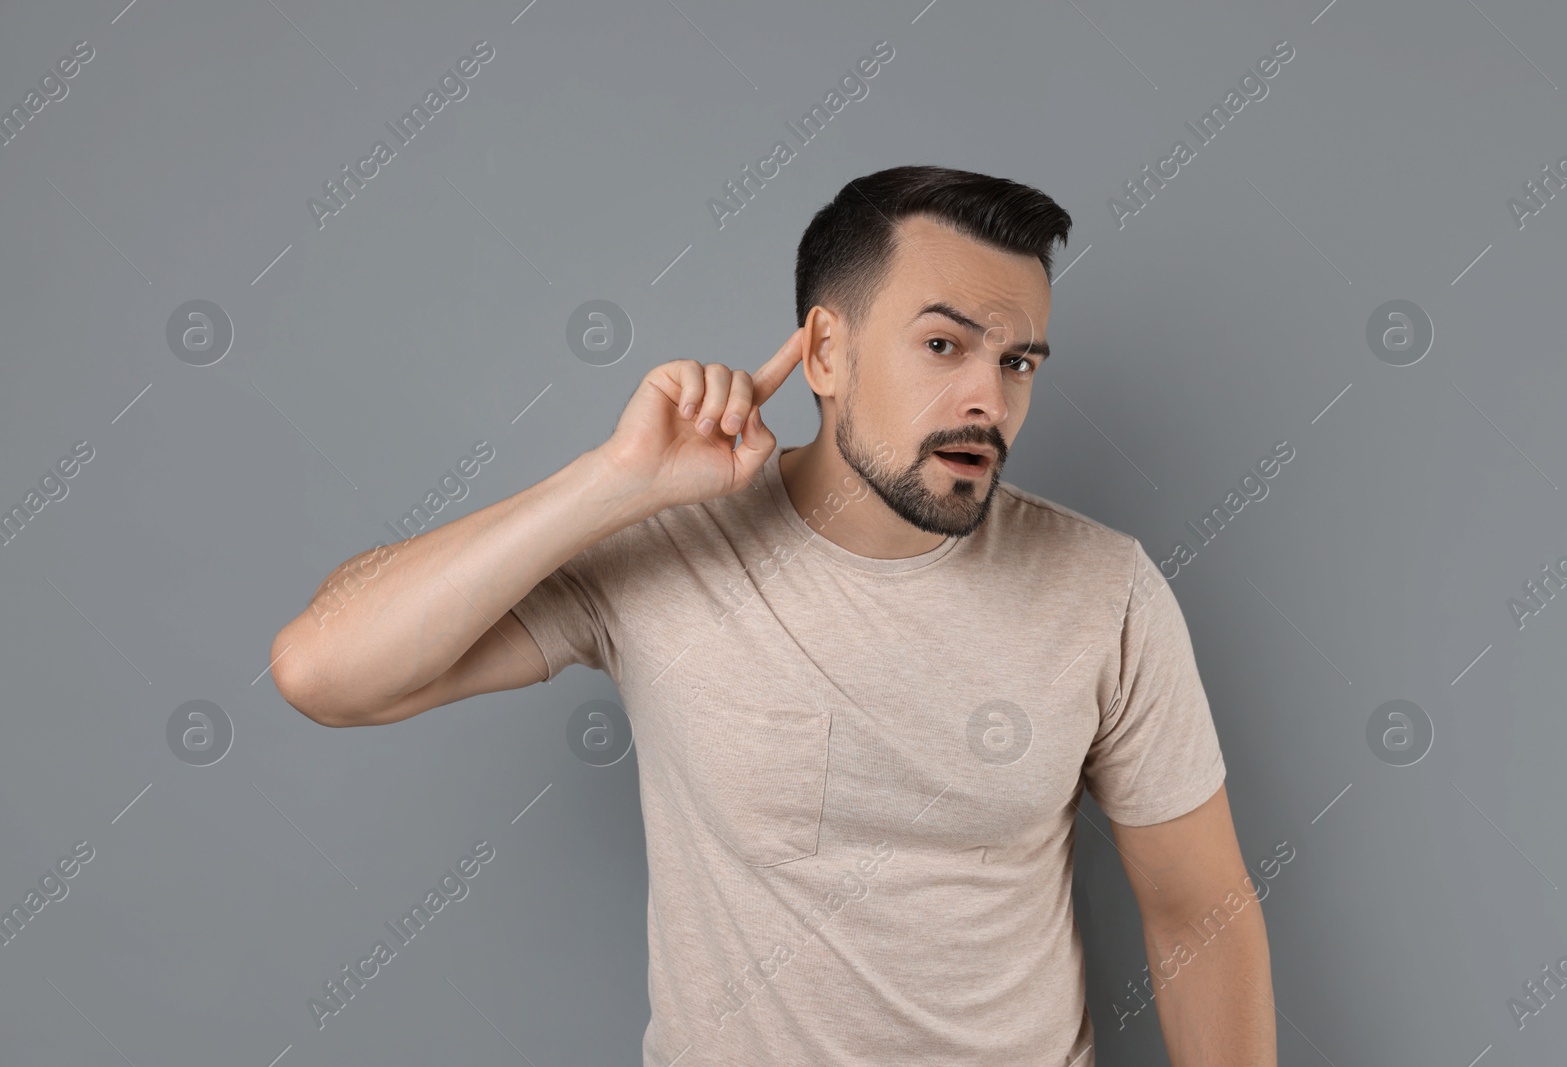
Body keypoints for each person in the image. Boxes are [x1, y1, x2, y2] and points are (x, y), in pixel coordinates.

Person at [270, 164, 1276, 1066]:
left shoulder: (1106, 590)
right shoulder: (664, 544)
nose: (987, 398)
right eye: (942, 344)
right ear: (825, 354)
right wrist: (610, 482)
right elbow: (325, 671)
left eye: (1018, 363)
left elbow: (1198, 907)